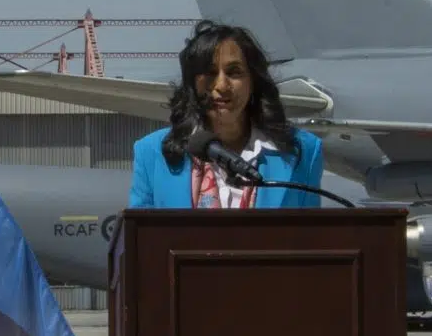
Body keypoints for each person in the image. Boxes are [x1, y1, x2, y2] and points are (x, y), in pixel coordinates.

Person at [129, 21, 324, 209]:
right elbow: (140, 238)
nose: (221, 86)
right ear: (192, 83)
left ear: (253, 80)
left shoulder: (303, 150)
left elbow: (310, 238)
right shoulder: (151, 152)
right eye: (210, 73)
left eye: (234, 72)